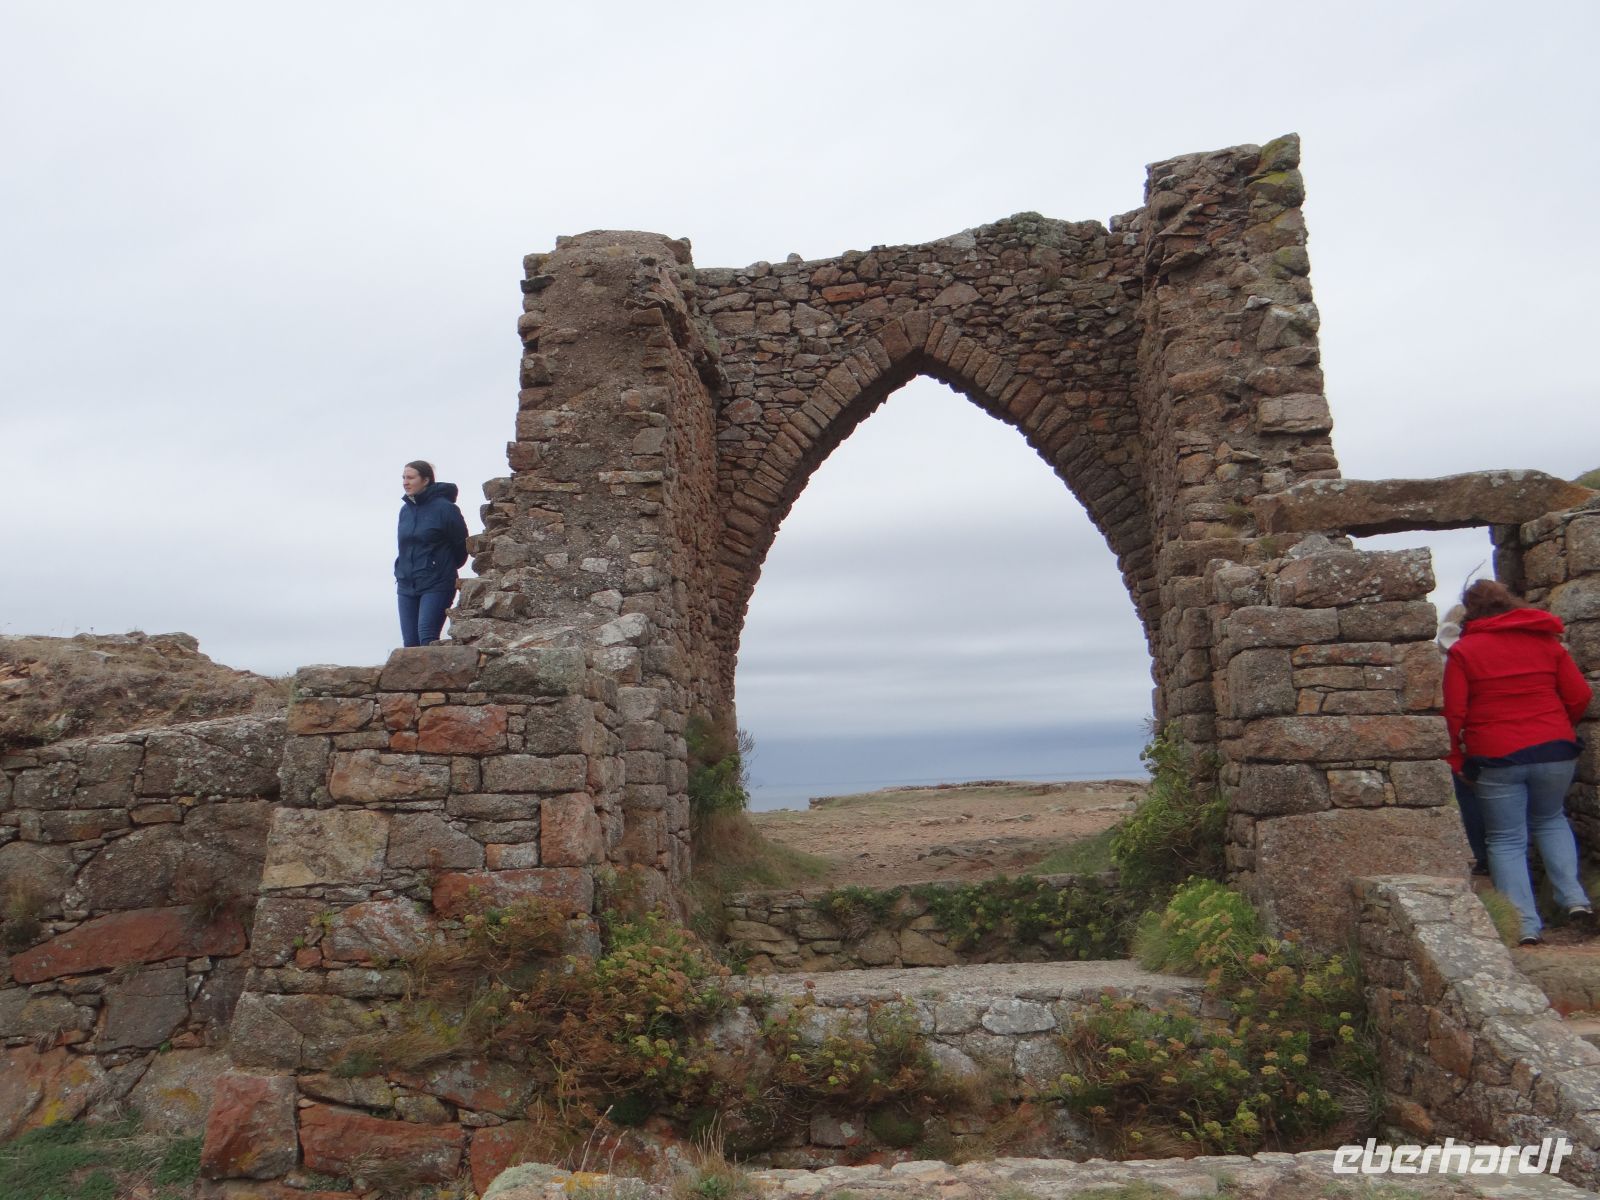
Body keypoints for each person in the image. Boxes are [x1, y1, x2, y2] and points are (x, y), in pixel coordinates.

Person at [1443, 579, 1594, 945]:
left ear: (1470, 610)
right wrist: (1560, 726)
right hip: (1555, 748)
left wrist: (1457, 756)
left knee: (1506, 839)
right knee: (1550, 818)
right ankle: (1574, 899)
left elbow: (1454, 713)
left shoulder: (1465, 651)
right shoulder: (1546, 642)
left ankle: (1524, 925)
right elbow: (1579, 694)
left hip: (1498, 754)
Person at [395, 460, 468, 647]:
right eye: (403, 477)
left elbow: (462, 546)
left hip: (437, 583)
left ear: (426, 480)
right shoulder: (405, 511)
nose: (405, 482)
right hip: (406, 584)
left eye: (410, 477)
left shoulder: (446, 509)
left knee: (427, 638)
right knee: (410, 645)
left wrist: (438, 566)